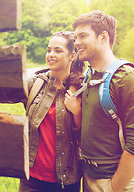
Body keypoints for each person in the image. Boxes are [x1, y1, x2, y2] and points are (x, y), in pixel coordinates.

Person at [69, 10, 134, 192]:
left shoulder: (128, 79)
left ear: (103, 37)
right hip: (89, 177)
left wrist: (114, 187)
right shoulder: (90, 76)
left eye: (82, 36)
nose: (76, 43)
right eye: (75, 38)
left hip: (116, 182)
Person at [19, 31, 85, 192]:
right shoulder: (34, 83)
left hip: (66, 180)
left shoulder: (81, 90)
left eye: (58, 50)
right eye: (49, 50)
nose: (51, 55)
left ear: (72, 56)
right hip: (31, 178)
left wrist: (77, 113)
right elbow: (2, 90)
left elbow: (86, 139)